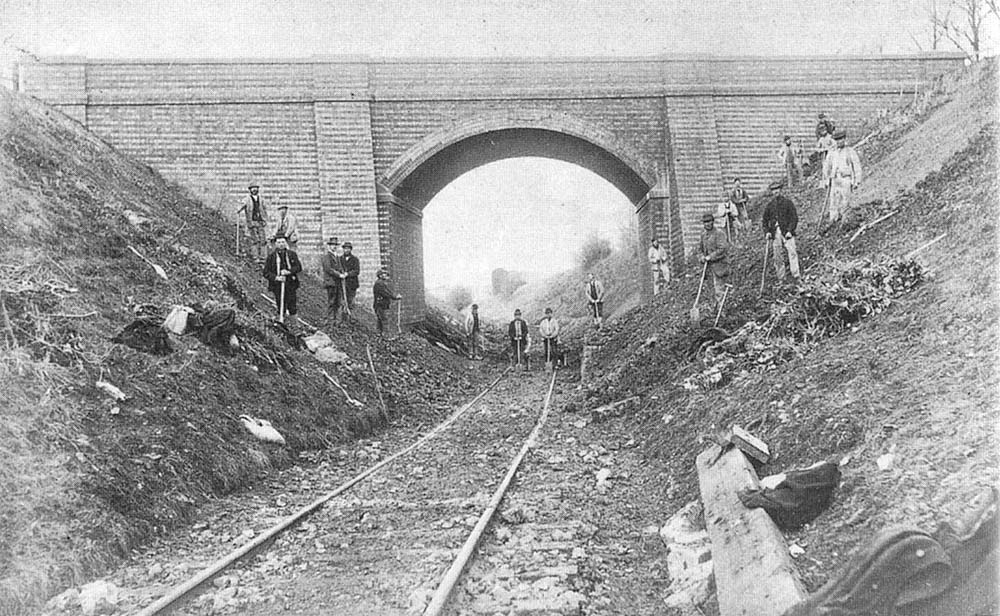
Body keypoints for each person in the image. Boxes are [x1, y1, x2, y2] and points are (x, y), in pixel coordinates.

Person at [761, 180, 801, 283]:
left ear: (781, 190)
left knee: (792, 253)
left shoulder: (787, 203)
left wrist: (790, 231)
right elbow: (765, 221)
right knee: (777, 257)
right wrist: (767, 232)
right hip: (775, 233)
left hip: (787, 232)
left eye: (777, 189)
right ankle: (781, 278)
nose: (776, 192)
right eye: (773, 190)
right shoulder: (769, 206)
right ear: (772, 192)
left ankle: (796, 275)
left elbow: (794, 218)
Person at [822, 129, 863, 224]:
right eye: (837, 140)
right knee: (833, 201)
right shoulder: (831, 153)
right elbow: (826, 167)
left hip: (846, 179)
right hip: (835, 180)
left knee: (845, 201)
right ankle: (833, 221)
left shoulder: (850, 152)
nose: (839, 141)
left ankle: (845, 221)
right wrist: (826, 180)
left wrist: (857, 181)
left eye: (841, 139)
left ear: (844, 139)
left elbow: (857, 167)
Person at [263, 234, 302, 328]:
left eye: (283, 242)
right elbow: (266, 272)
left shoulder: (292, 254)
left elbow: (298, 267)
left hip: (291, 284)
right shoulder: (271, 257)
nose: (281, 244)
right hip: (278, 286)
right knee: (281, 305)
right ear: (276, 244)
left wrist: (289, 271)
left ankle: (295, 326)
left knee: (292, 305)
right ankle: (282, 323)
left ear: (286, 243)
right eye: (279, 242)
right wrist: (277, 277)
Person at [698, 212, 730, 308]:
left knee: (719, 290)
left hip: (720, 266)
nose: (707, 224)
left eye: (709, 221)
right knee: (711, 290)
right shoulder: (703, 235)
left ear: (713, 222)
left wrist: (710, 257)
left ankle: (723, 311)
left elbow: (723, 249)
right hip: (708, 268)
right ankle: (715, 309)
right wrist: (701, 257)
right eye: (705, 222)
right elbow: (700, 249)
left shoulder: (719, 233)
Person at [238, 179, 269, 261]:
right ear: (250, 190)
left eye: (256, 188)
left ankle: (263, 257)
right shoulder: (247, 199)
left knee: (263, 240)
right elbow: (242, 205)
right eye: (252, 188)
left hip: (260, 222)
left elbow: (264, 210)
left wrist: (265, 219)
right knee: (254, 240)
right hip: (252, 222)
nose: (254, 189)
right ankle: (255, 257)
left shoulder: (261, 199)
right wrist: (238, 209)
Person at [320, 236, 345, 321]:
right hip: (331, 282)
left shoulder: (337, 256)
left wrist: (343, 272)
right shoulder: (326, 257)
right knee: (331, 301)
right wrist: (339, 275)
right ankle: (327, 320)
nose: (334, 246)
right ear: (329, 246)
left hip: (337, 283)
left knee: (337, 302)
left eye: (335, 245)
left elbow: (340, 267)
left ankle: (335, 320)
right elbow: (328, 269)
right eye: (332, 245)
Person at [372, 269, 401, 335]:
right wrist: (395, 297)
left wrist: (395, 296)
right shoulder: (379, 284)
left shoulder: (381, 283)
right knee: (385, 320)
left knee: (380, 319)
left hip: (380, 304)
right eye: (384, 274)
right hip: (380, 305)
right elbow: (386, 293)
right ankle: (386, 335)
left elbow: (388, 292)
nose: (386, 276)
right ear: (380, 275)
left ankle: (379, 333)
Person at [340, 241, 361, 315]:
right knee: (343, 302)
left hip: (352, 284)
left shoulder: (355, 259)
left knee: (350, 302)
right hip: (342, 284)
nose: (346, 250)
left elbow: (357, 271)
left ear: (351, 250)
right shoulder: (340, 259)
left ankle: (350, 319)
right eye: (345, 248)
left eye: (348, 248)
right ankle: (343, 319)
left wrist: (348, 274)